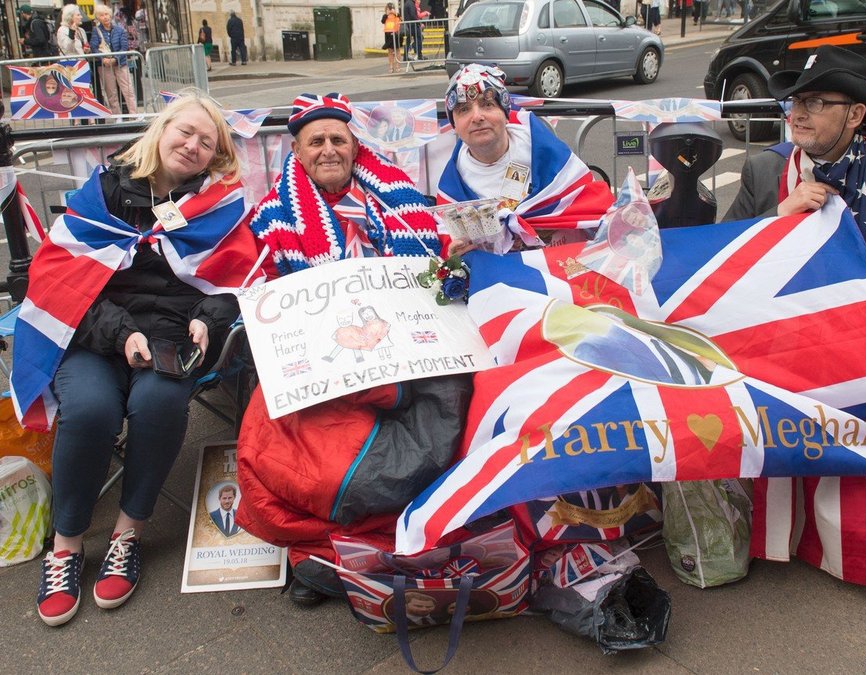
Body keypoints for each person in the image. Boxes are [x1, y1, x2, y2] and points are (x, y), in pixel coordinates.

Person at [11, 91, 260, 627]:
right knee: (92, 410)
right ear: (161, 128)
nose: (192, 146)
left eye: (206, 142)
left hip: (171, 336)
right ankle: (68, 545)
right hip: (93, 331)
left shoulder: (216, 205)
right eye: (184, 132)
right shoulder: (102, 191)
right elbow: (58, 278)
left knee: (159, 404)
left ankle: (127, 534)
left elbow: (238, 276)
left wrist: (210, 317)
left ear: (215, 156)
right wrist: (120, 332)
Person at [237, 93, 473, 607]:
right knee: (306, 459)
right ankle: (325, 552)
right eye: (316, 141)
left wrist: (451, 269)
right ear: (296, 150)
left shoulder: (396, 199)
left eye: (337, 139)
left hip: (407, 355)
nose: (328, 149)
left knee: (442, 424)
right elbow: (258, 299)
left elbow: (435, 267)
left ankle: (347, 555)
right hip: (328, 366)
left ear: (353, 147)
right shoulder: (270, 218)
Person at [725, 45, 866, 456]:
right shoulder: (767, 167)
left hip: (860, 358)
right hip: (771, 359)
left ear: (855, 115)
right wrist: (778, 219)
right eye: (795, 101)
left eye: (816, 102)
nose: (798, 114)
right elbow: (720, 263)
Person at [437, 64, 614, 253]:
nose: (477, 116)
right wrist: (454, 251)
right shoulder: (452, 186)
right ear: (454, 125)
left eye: (487, 104)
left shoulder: (546, 152)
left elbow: (596, 209)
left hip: (561, 266)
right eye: (463, 109)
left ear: (505, 114)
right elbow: (447, 238)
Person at [89, 4, 139, 119]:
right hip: (104, 66)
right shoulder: (96, 31)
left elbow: (124, 47)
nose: (105, 17)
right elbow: (94, 47)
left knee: (128, 90)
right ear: (98, 18)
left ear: (110, 15)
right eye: (101, 15)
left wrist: (115, 59)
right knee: (111, 93)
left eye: (106, 14)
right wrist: (104, 59)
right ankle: (117, 116)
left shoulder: (120, 30)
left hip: (120, 64)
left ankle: (135, 115)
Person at [382, 3, 401, 74]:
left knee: (397, 50)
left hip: (395, 33)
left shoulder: (396, 14)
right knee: (390, 51)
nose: (390, 10)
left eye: (391, 8)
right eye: (388, 8)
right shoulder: (385, 16)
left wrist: (395, 13)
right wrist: (387, 14)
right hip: (388, 34)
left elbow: (400, 19)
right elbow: (383, 21)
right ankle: (391, 67)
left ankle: (398, 66)